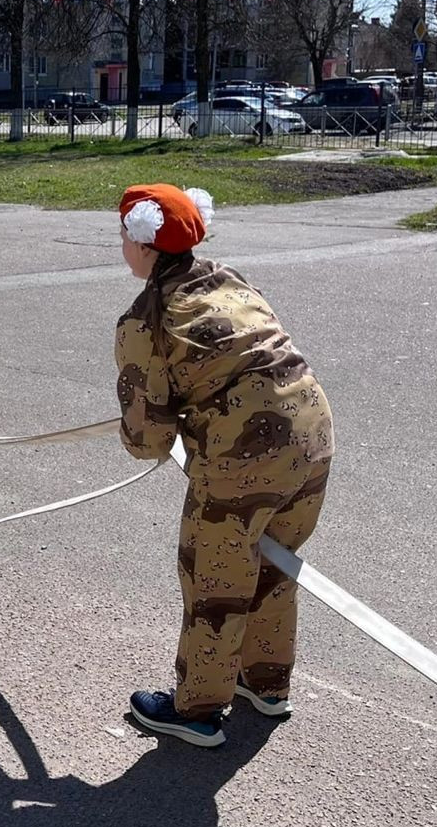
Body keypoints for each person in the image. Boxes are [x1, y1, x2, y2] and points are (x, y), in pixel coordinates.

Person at [113, 183, 333, 747]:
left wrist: (151, 427)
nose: (121, 244)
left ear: (142, 243)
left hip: (243, 458)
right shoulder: (226, 278)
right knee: (274, 566)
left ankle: (198, 709)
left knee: (215, 581)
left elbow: (149, 439)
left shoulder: (146, 320)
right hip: (311, 434)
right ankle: (265, 682)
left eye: (123, 233)